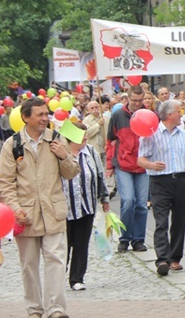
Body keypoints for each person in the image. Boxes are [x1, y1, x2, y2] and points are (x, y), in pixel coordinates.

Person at [0, 98, 80, 318]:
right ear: (26, 117)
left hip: (53, 212)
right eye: (40, 115)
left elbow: (72, 172)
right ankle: (34, 310)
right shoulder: (12, 145)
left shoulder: (56, 139)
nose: (45, 118)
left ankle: (56, 309)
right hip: (25, 214)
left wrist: (64, 156)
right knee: (29, 265)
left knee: (56, 261)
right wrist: (15, 208)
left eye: (46, 114)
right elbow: (5, 182)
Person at [137, 100, 185, 276]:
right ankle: (162, 260)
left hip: (180, 180)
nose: (181, 114)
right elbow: (140, 159)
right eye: (178, 111)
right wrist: (151, 165)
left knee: (180, 222)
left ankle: (175, 258)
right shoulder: (151, 134)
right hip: (160, 182)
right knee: (161, 222)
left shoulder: (183, 134)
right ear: (169, 115)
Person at [61, 122, 110, 291]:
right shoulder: (61, 153)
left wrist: (104, 198)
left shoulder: (90, 152)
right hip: (65, 209)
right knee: (64, 245)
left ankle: (77, 278)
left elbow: (99, 174)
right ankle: (59, 275)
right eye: (82, 135)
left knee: (81, 244)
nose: (86, 138)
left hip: (87, 206)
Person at [106, 84, 149, 253]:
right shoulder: (117, 115)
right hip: (124, 164)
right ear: (127, 99)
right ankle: (124, 238)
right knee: (128, 201)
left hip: (143, 165)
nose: (137, 103)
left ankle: (138, 239)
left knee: (141, 204)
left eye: (140, 100)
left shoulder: (149, 115)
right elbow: (111, 140)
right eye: (134, 100)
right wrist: (109, 165)